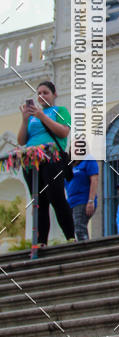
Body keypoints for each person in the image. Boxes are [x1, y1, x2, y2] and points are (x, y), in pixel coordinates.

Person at [17, 80, 75, 246]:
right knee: (39, 201)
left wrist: (42, 115)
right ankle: (41, 241)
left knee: (56, 197)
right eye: (39, 93)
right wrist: (24, 119)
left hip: (51, 158)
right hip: (31, 160)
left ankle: (70, 236)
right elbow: (21, 140)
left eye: (45, 92)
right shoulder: (31, 118)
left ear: (54, 94)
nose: (41, 96)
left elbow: (63, 131)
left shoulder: (59, 110)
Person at [66, 159, 99, 241]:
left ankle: (86, 251)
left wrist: (91, 201)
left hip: (82, 200)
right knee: (73, 230)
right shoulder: (70, 166)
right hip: (71, 202)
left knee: (79, 228)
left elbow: (94, 180)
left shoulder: (88, 162)